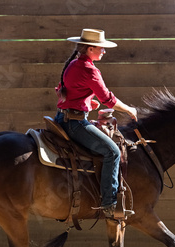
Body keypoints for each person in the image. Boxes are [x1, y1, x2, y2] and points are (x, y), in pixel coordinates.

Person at [54, 29, 137, 219]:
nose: (104, 51)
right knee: (113, 152)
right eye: (101, 48)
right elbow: (108, 100)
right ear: (90, 48)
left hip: (62, 117)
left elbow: (64, 91)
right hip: (75, 124)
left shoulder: (73, 64)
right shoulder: (90, 70)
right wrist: (129, 110)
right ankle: (109, 203)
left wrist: (85, 103)